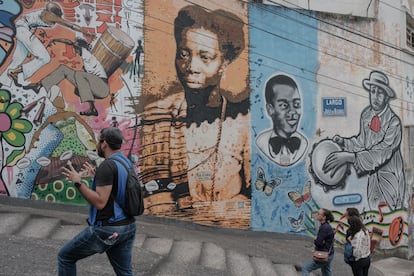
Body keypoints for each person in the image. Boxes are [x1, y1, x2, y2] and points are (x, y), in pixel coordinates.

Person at [141, 5, 250, 208]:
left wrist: (216, 213)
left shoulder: (242, 121)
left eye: (205, 57)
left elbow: (254, 197)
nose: (191, 67)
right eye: (183, 54)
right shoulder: (157, 115)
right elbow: (153, 194)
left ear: (224, 63)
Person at [323, 70, 407, 211]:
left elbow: (382, 152)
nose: (375, 96)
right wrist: (344, 142)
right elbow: (362, 143)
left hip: (390, 181)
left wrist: (350, 157)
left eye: (380, 92)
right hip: (373, 180)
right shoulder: (366, 115)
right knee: (374, 218)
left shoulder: (394, 122)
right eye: (372, 91)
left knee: (390, 220)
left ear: (386, 97)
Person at [58, 127, 136, 275]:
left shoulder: (107, 166)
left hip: (108, 228)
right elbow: (117, 191)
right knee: (125, 273)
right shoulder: (124, 162)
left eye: (98, 141)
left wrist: (78, 182)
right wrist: (97, 178)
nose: (97, 145)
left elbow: (100, 202)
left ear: (104, 143)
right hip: (128, 226)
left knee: (65, 256)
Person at [24, 37, 109, 116]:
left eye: (76, 47)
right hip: (94, 86)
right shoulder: (85, 59)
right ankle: (40, 85)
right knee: (63, 69)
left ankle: (92, 108)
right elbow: (71, 43)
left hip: (102, 88)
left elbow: (70, 43)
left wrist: (57, 39)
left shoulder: (87, 55)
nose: (74, 50)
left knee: (79, 74)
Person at [256, 74, 308, 166]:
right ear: (270, 110)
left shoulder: (304, 143)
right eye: (284, 105)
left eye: (296, 104)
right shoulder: (261, 142)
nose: (292, 111)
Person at [302, 208, 335, 276]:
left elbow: (318, 243)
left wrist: (316, 239)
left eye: (319, 214)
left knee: (306, 268)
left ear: (324, 217)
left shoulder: (324, 228)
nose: (317, 214)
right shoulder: (326, 226)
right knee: (326, 272)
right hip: (329, 254)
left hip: (323, 255)